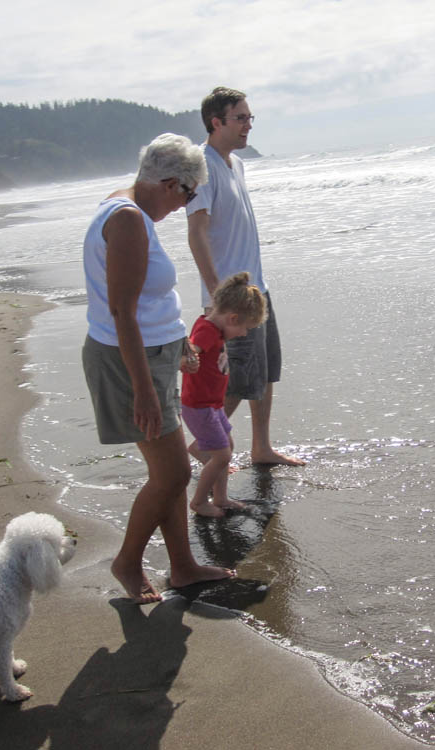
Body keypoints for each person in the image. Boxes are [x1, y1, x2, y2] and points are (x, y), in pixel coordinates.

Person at [81, 133, 234, 604]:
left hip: (154, 357)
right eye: (187, 195)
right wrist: (144, 391)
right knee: (171, 475)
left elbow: (147, 303)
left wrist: (180, 342)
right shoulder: (127, 221)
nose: (186, 204)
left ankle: (183, 567)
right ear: (170, 183)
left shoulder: (130, 209)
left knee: (172, 475)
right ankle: (127, 561)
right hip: (132, 365)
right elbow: (122, 312)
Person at [186, 86, 305, 467]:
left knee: (265, 371)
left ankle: (262, 448)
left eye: (250, 118)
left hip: (256, 289)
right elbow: (197, 232)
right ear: (215, 121)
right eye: (240, 118)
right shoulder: (202, 166)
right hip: (229, 299)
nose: (248, 125)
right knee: (236, 379)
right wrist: (217, 295)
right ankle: (203, 443)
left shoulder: (236, 164)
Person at [181, 272, 267, 517]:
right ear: (232, 318)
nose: (243, 334)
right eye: (244, 328)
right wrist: (190, 355)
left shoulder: (212, 327)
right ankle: (199, 502)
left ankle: (220, 497)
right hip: (200, 406)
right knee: (221, 456)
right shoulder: (208, 331)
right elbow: (195, 345)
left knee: (227, 446)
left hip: (212, 405)